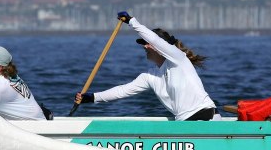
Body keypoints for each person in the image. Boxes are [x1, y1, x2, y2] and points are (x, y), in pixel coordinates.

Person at [75, 11, 220, 121]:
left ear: (160, 47)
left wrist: (132, 21)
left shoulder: (178, 59)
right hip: (185, 124)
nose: (144, 46)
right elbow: (123, 91)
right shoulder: (150, 76)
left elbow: (154, 39)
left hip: (206, 118)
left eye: (146, 43)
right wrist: (91, 98)